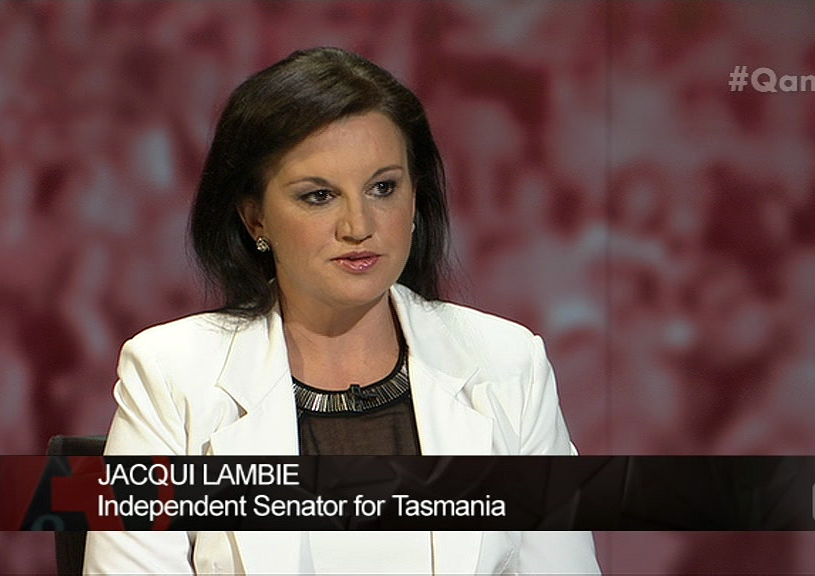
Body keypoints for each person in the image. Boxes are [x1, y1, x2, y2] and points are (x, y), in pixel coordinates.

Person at [83, 47, 600, 575]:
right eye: (318, 196)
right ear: (255, 217)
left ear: (415, 200)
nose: (359, 226)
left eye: (383, 188)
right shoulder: (171, 375)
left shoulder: (509, 364)